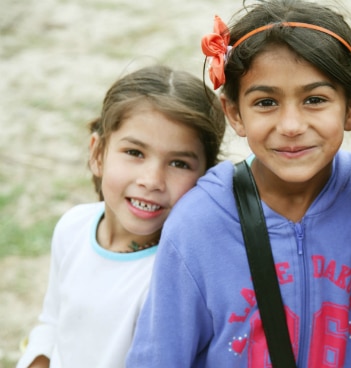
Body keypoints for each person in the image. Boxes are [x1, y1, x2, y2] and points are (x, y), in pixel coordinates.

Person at [126, 1, 351, 367]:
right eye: (266, 102)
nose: (291, 125)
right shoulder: (198, 224)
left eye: (315, 100)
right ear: (234, 114)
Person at [16, 64, 226, 368]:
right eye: (135, 153)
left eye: (179, 163)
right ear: (98, 154)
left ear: (205, 177)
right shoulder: (73, 227)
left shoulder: (178, 273)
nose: (152, 179)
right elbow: (53, 321)